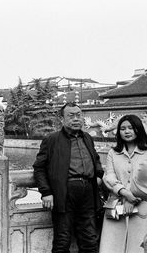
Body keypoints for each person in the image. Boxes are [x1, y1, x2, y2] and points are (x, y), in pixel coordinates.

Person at [33, 102, 103, 253]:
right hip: (64, 192)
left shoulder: (87, 138)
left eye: (79, 115)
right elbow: (39, 168)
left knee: (90, 239)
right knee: (62, 239)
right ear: (62, 120)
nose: (76, 119)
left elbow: (96, 160)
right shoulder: (52, 140)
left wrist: (98, 175)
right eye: (71, 116)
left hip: (88, 192)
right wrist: (46, 192)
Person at [99, 114, 147, 253]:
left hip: (142, 208)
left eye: (131, 128)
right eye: (123, 128)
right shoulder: (113, 153)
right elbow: (109, 176)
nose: (127, 131)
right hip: (116, 208)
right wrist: (124, 192)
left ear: (138, 129)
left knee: (138, 247)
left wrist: (132, 199)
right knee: (112, 247)